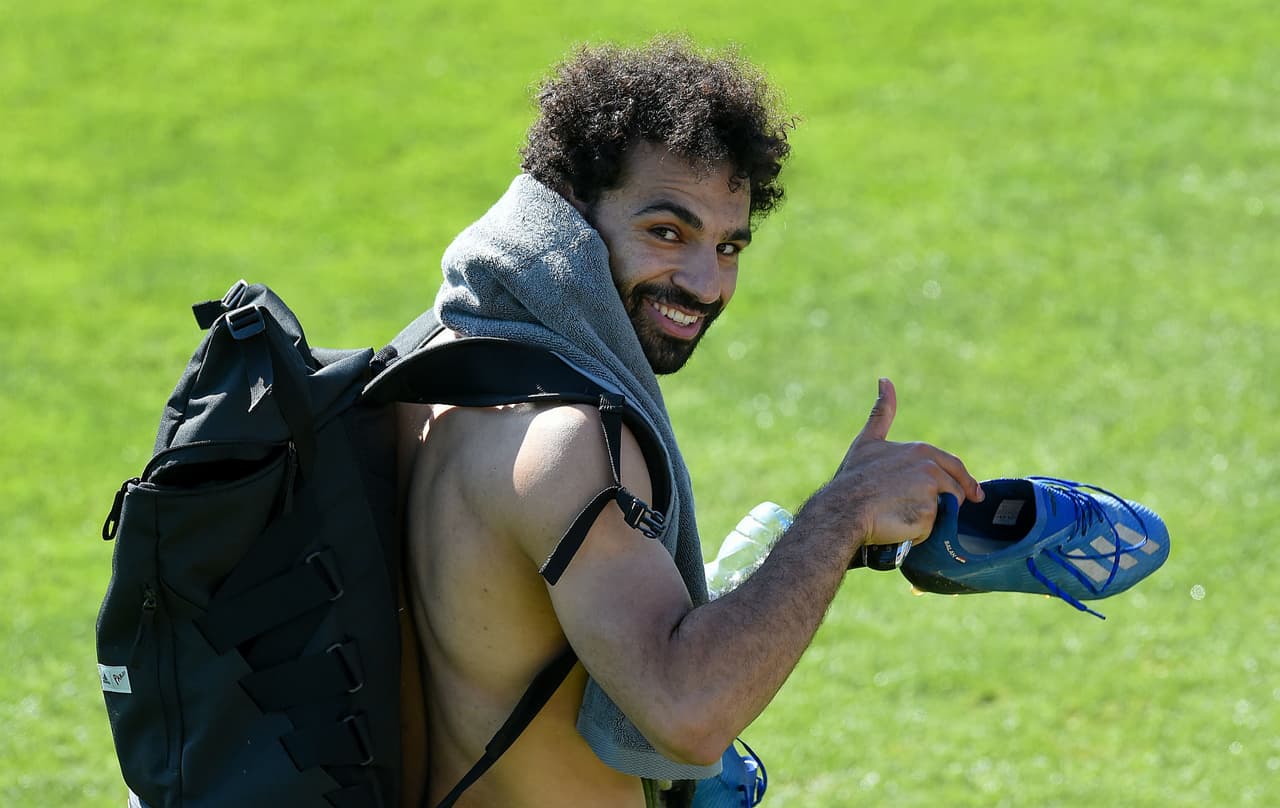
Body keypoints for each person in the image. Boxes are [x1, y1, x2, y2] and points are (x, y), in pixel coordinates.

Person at [396, 38, 984, 808]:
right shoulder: (569, 443)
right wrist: (842, 513)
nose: (705, 285)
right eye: (667, 232)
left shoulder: (431, 363)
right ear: (569, 203)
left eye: (728, 246)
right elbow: (687, 713)